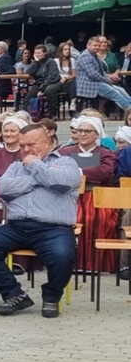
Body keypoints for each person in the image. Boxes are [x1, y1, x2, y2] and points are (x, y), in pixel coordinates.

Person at [0, 124, 81, 319]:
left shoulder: (66, 162)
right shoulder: (16, 166)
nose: (25, 149)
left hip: (54, 227)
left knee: (63, 255)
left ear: (47, 142)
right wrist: (39, 180)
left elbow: (63, 183)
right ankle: (14, 294)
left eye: (31, 144)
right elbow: (2, 189)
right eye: (22, 146)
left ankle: (51, 297)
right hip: (17, 226)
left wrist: (34, 165)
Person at [60, 115, 118, 273]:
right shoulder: (66, 151)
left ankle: (98, 265)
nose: (83, 134)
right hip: (71, 196)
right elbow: (58, 169)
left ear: (97, 134)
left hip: (98, 196)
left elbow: (106, 171)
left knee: (99, 219)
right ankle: (73, 264)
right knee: (75, 218)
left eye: (87, 131)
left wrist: (78, 172)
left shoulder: (106, 153)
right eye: (80, 131)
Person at [77, 36, 131, 111]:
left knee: (121, 90)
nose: (97, 47)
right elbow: (93, 75)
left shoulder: (94, 56)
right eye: (95, 45)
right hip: (90, 85)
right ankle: (129, 111)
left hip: (98, 82)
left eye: (98, 46)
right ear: (88, 45)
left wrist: (109, 77)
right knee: (115, 93)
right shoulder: (85, 56)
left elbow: (102, 72)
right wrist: (107, 80)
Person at [22, 44, 62, 116]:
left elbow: (52, 76)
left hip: (52, 83)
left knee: (49, 90)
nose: (37, 55)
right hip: (39, 83)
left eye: (39, 53)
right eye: (36, 53)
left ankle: (52, 114)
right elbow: (28, 72)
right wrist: (35, 62)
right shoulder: (36, 63)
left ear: (45, 53)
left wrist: (41, 89)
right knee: (28, 96)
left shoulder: (51, 62)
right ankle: (24, 114)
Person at [56, 42, 77, 115]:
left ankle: (72, 103)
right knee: (72, 85)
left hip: (69, 81)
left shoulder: (72, 60)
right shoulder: (56, 61)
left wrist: (66, 78)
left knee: (74, 81)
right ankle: (71, 103)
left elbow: (74, 74)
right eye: (65, 49)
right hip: (59, 82)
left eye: (68, 49)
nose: (67, 51)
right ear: (61, 50)